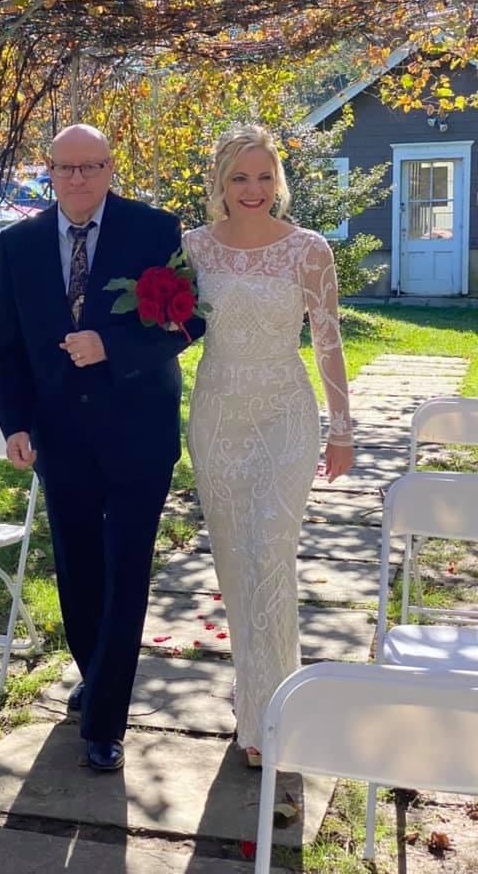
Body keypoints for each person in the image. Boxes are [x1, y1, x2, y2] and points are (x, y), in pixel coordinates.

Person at [0, 124, 206, 771]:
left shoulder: (156, 231)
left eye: (91, 166)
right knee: (77, 569)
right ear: (48, 172)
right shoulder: (18, 245)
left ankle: (105, 721)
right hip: (60, 435)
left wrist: (113, 347)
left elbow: (186, 322)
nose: (78, 178)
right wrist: (15, 424)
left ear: (111, 168)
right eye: (65, 167)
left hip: (139, 430)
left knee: (127, 566)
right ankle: (97, 672)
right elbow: (4, 349)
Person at [184, 124, 353, 767]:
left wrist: (343, 429)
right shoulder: (192, 249)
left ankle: (273, 716)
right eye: (239, 178)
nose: (252, 190)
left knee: (273, 556)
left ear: (277, 181)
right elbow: (166, 328)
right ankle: (254, 696)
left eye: (263, 177)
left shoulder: (308, 250)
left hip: (286, 414)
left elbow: (329, 340)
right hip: (218, 418)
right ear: (220, 184)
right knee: (235, 563)